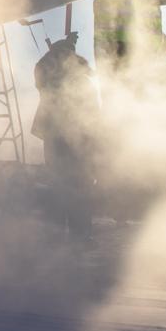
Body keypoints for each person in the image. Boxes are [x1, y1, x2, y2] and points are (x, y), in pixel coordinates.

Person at [31, 34, 100, 237]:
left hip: (71, 137)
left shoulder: (60, 79)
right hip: (62, 136)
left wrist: (60, 48)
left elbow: (93, 114)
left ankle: (76, 232)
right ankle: (72, 232)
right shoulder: (55, 77)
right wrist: (64, 46)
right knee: (66, 183)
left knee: (72, 184)